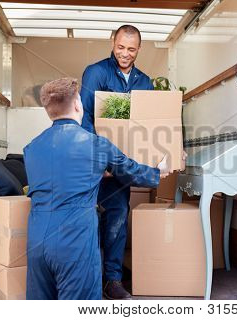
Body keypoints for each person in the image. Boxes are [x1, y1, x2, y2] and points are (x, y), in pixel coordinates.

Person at [24, 77, 169, 300]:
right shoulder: (96, 144)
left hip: (36, 242)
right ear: (77, 105)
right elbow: (131, 171)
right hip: (74, 242)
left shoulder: (31, 148)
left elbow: (63, 172)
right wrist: (158, 171)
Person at [80, 25, 154, 299]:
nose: (125, 53)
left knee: (118, 218)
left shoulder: (144, 82)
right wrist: (101, 161)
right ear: (113, 42)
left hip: (122, 166)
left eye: (131, 49)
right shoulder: (96, 72)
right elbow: (84, 119)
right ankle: (87, 277)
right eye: (121, 47)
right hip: (93, 163)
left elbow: (146, 127)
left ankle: (112, 281)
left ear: (139, 49)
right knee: (86, 218)